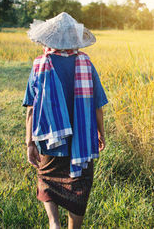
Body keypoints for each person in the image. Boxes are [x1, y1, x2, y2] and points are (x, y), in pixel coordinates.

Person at [23, 12, 108, 229]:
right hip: (81, 138)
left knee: (46, 178)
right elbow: (98, 105)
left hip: (49, 138)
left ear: (49, 38)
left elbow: (31, 109)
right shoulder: (86, 64)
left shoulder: (39, 64)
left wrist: (30, 142)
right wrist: (101, 133)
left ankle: (54, 223)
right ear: (74, 38)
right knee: (79, 185)